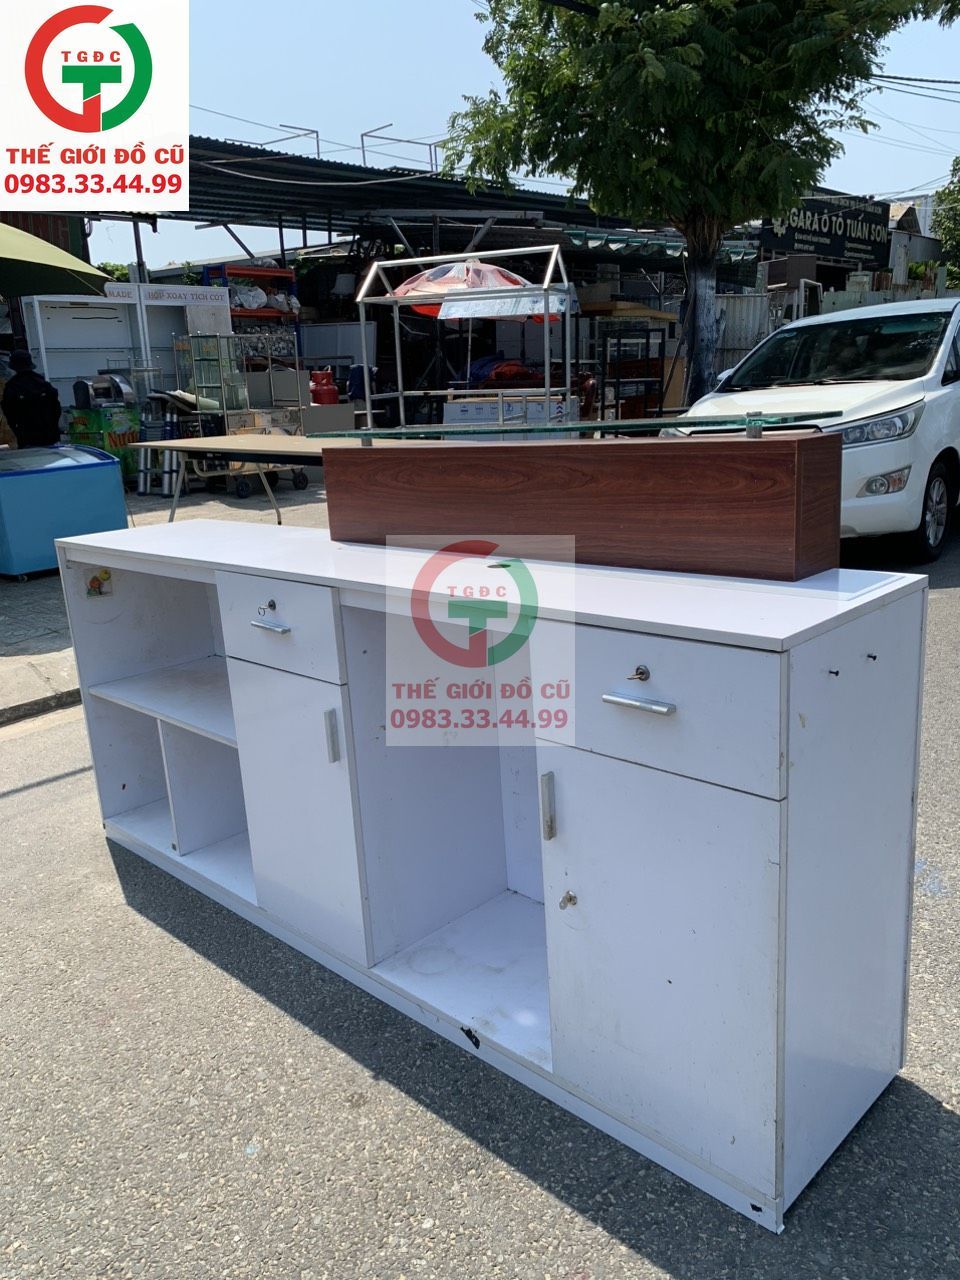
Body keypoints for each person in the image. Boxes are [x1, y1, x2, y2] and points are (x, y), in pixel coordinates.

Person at [1, 350, 62, 448]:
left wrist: (17, 430)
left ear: (14, 367)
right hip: (50, 436)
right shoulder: (43, 384)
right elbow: (56, 409)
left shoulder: (12, 387)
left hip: (27, 438)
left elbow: (9, 413)